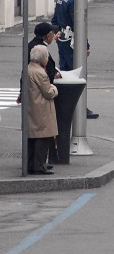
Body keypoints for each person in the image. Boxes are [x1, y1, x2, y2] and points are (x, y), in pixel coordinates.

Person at [51, 0, 97, 119]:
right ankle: (78, 107)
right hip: (72, 41)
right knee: (76, 74)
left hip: (63, 39)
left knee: (65, 72)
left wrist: (58, 33)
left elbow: (54, 21)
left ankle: (63, 105)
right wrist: (86, 45)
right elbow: (79, 25)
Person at [27, 44, 58, 175]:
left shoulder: (29, 68)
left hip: (32, 106)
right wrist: (54, 88)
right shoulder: (41, 73)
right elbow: (48, 93)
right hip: (41, 108)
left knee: (32, 138)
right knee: (43, 137)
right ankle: (39, 165)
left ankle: (31, 164)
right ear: (43, 58)